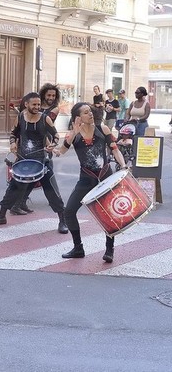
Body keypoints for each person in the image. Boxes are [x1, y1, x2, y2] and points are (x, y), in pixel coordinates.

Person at [55, 102, 126, 262]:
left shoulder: (103, 129)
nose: (91, 114)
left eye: (90, 111)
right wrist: (59, 147)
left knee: (109, 214)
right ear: (78, 117)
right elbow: (62, 150)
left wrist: (122, 165)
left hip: (105, 177)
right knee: (69, 211)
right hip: (86, 179)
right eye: (86, 112)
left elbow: (115, 149)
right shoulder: (74, 135)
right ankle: (78, 248)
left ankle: (109, 249)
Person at [0, 92, 67, 234]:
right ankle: (1, 216)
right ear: (27, 104)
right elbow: (13, 133)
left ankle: (62, 221)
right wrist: (12, 143)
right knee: (12, 189)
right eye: (34, 104)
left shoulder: (45, 119)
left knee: (52, 191)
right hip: (23, 160)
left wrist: (52, 145)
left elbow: (55, 136)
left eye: (38, 104)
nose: (37, 107)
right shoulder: (20, 118)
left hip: (42, 161)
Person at [12, 83, 62, 216]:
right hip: (29, 144)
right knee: (30, 176)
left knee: (45, 173)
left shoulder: (54, 109)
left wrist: (53, 147)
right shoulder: (33, 106)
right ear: (43, 94)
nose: (51, 97)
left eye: (53, 95)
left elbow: (44, 127)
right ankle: (17, 203)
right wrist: (15, 142)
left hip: (45, 142)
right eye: (49, 95)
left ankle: (56, 201)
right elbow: (19, 129)